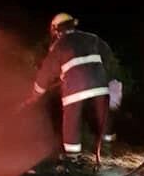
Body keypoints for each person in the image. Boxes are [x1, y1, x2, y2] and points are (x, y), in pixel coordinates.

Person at [25, 13, 120, 164]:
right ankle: (107, 149)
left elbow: (46, 73)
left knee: (71, 120)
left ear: (56, 30)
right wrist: (114, 79)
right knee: (103, 116)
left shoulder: (59, 46)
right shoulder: (92, 38)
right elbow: (108, 56)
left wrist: (36, 94)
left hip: (74, 88)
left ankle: (73, 157)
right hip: (99, 83)